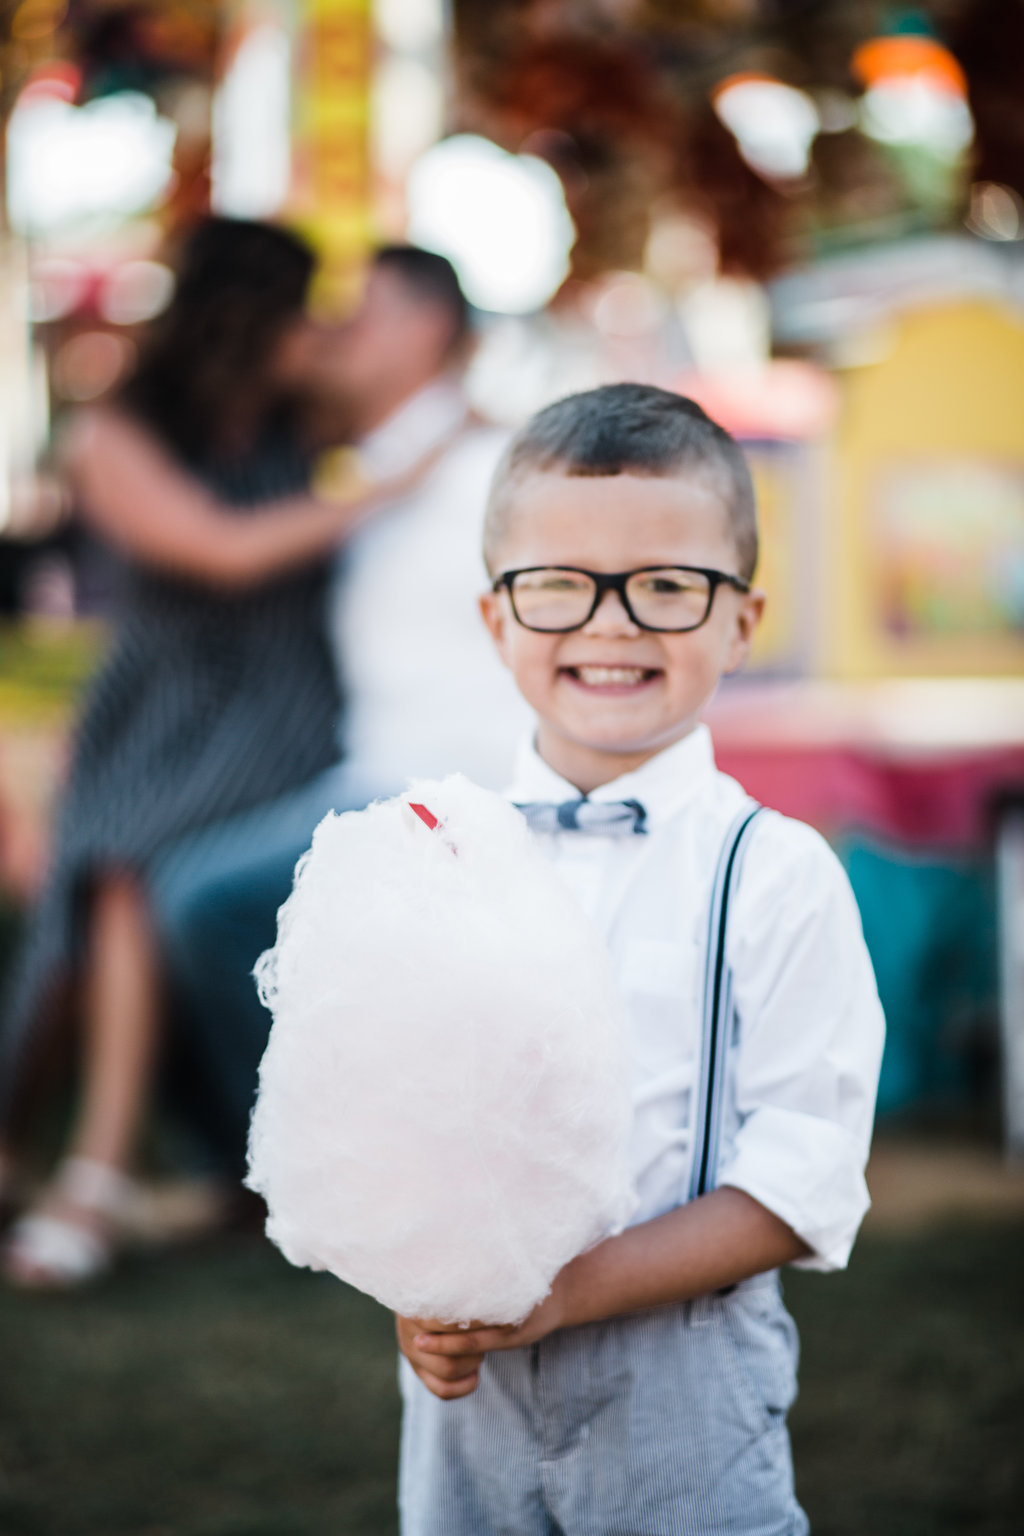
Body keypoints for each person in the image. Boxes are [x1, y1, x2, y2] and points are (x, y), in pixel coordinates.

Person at [394, 382, 885, 1535]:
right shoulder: (437, 851)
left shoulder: (774, 872)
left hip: (685, 1382)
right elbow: (397, 1115)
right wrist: (419, 1293)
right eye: (559, 585)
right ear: (495, 618)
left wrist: (563, 1296)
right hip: (465, 1401)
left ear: (741, 620)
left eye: (667, 587)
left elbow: (802, 1178)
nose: (610, 623)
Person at [0, 218, 423, 1288]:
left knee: (114, 883)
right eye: (303, 308)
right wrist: (382, 488)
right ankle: (35, 1155)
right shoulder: (114, 434)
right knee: (89, 904)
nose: (322, 331)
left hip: (279, 707)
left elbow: (405, 395)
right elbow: (220, 551)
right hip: (162, 714)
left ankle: (85, 1179)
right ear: (248, 316)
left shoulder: (300, 413)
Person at [152, 246, 531, 1172]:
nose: (330, 334)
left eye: (359, 313)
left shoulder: (498, 468)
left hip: (458, 789)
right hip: (367, 781)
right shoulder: (366, 473)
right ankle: (303, 1169)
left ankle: (310, 1171)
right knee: (166, 891)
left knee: (202, 902)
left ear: (428, 328)